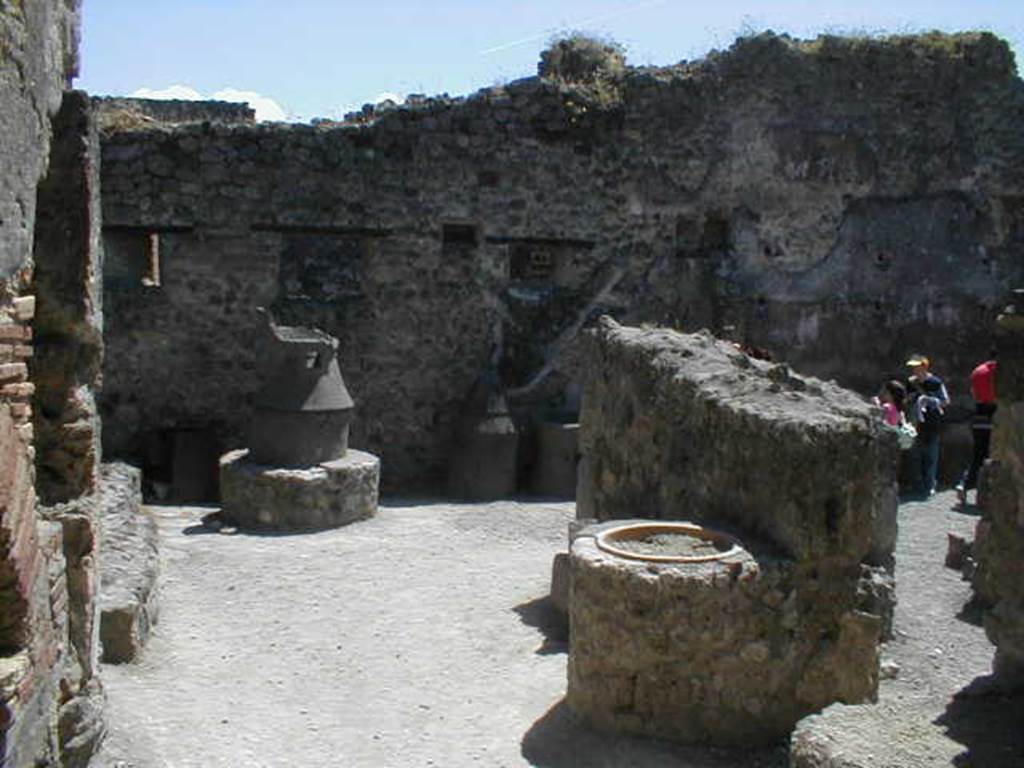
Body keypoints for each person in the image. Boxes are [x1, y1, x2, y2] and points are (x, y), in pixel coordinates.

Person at [955, 350, 998, 506]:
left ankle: (964, 484)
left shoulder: (977, 371)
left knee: (978, 455)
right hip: (995, 414)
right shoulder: (999, 371)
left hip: (979, 414)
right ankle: (988, 492)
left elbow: (973, 392)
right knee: (996, 456)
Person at [906, 355, 949, 496]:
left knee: (931, 456)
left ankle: (930, 484)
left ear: (924, 367)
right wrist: (910, 399)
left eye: (917, 366)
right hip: (915, 424)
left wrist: (930, 400)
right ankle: (917, 484)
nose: (914, 369)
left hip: (932, 423)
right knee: (915, 456)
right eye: (913, 367)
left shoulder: (936, 382)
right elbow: (906, 400)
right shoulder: (911, 383)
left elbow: (945, 401)